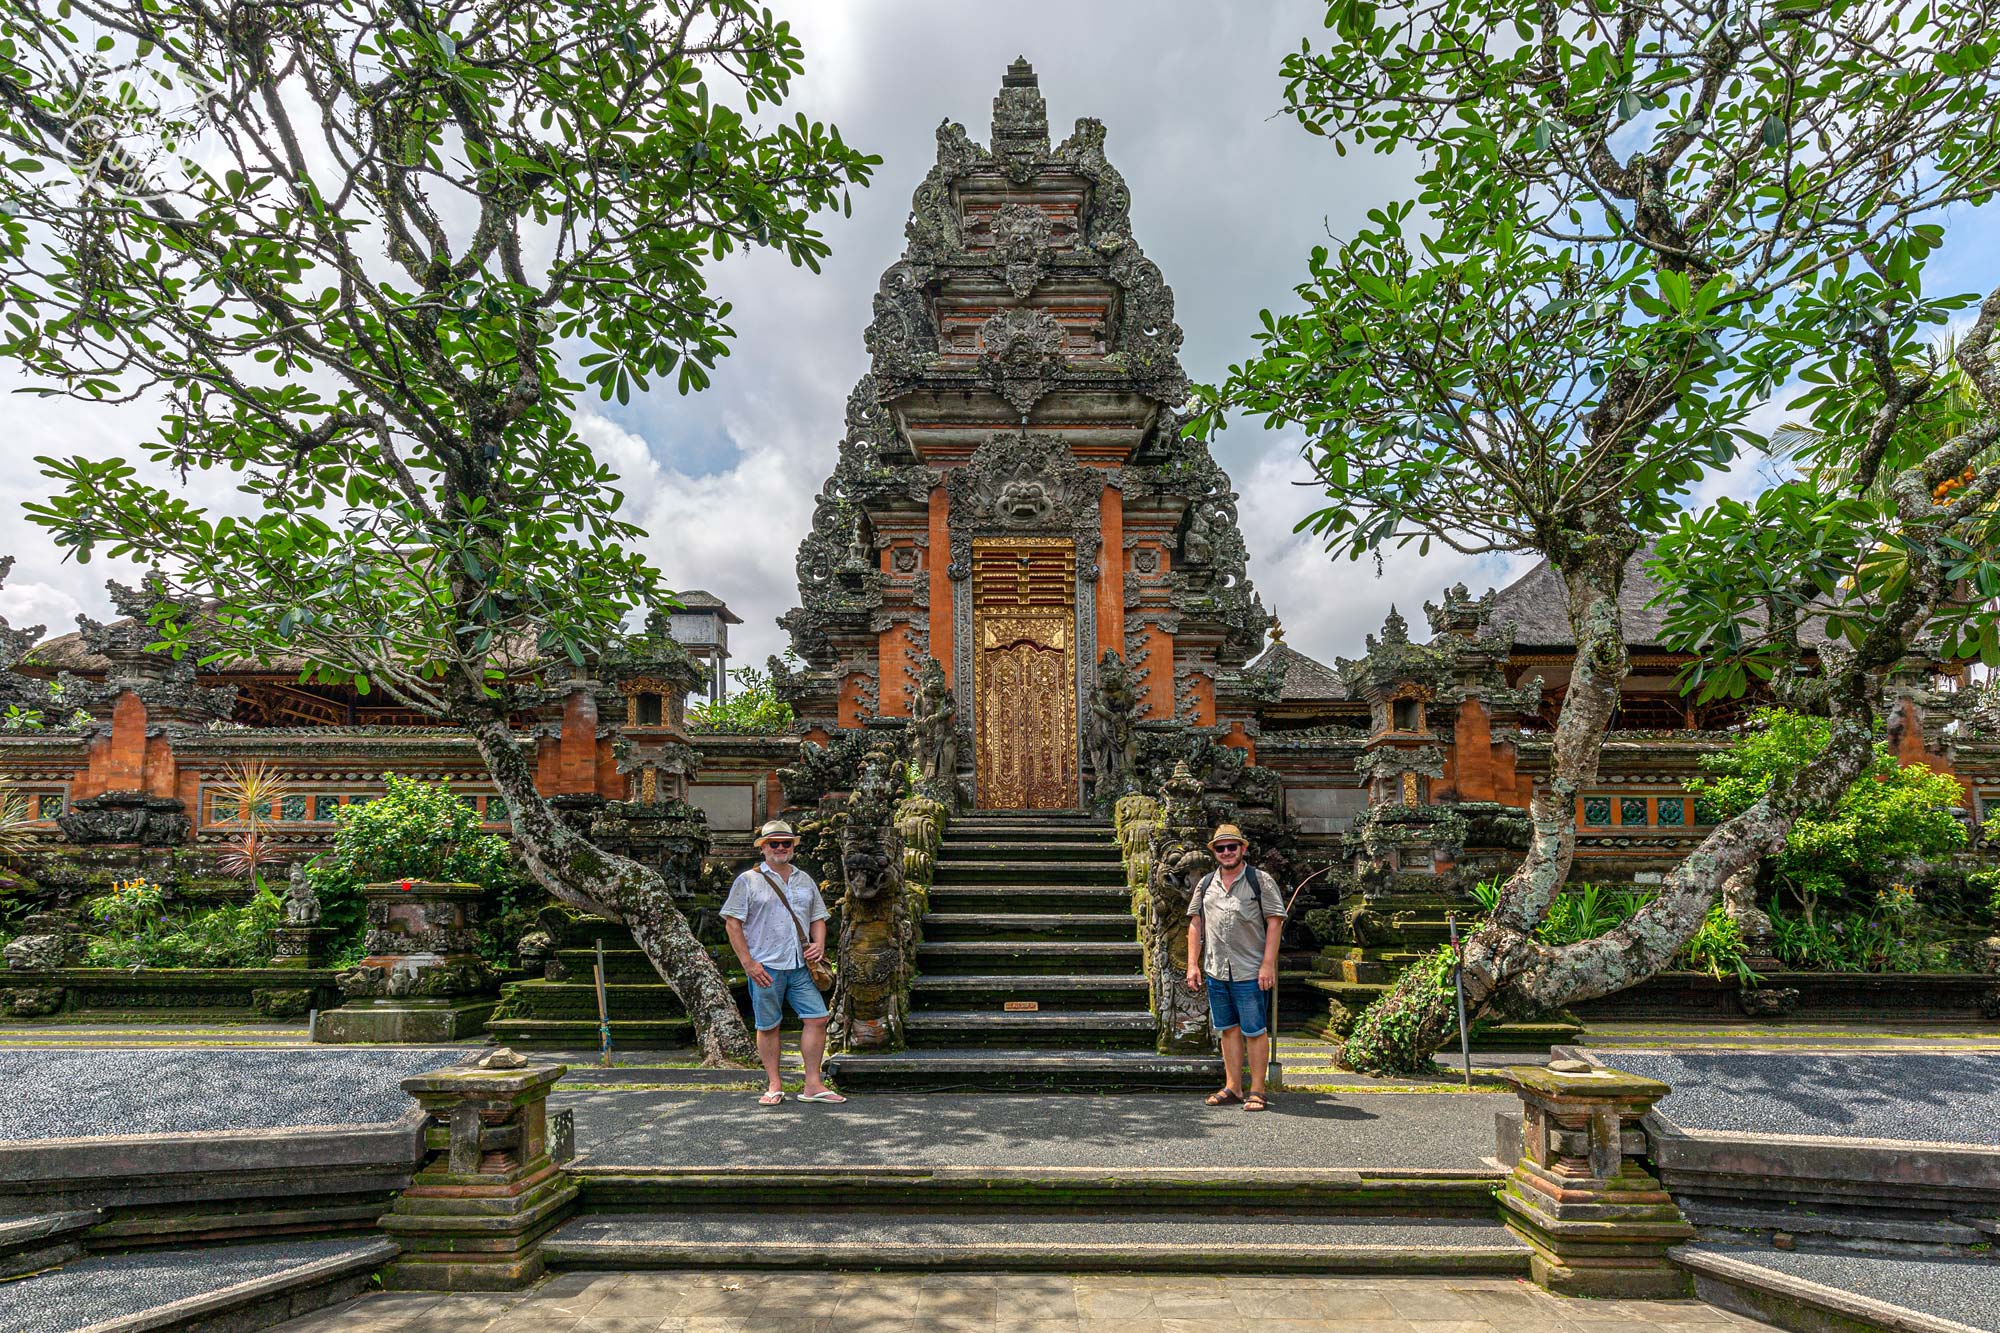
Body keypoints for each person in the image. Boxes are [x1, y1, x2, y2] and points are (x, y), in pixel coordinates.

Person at [722, 820, 845, 1106]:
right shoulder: (747, 881)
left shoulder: (805, 879)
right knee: (768, 1025)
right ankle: (774, 1084)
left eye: (786, 843)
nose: (780, 848)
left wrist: (819, 944)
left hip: (800, 964)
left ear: (792, 847)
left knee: (817, 1018)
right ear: (763, 848)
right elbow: (732, 924)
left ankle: (813, 1083)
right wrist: (748, 964)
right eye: (774, 843)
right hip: (765, 965)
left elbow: (818, 917)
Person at [1184, 824, 1287, 1111]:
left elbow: (1275, 922)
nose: (1227, 852)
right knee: (1227, 1029)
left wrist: (1268, 965)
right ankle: (1233, 1086)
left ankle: (1257, 1090)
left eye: (1232, 847)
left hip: (1250, 969)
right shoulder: (1206, 884)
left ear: (1243, 849)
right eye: (1221, 848)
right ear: (1214, 853)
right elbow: (1195, 923)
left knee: (1254, 1030)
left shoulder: (1260, 881)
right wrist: (1193, 964)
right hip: (1217, 968)